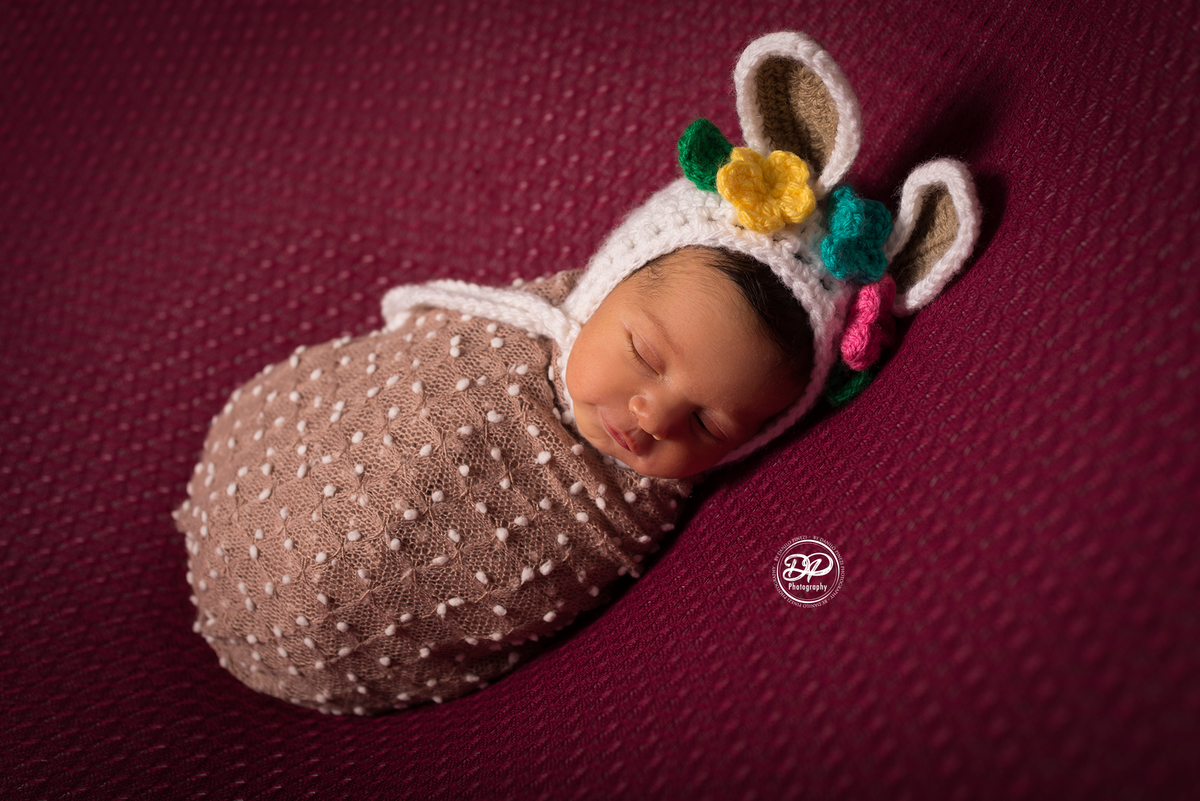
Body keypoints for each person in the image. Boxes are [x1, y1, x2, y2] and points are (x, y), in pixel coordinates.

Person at [175, 31, 979, 714]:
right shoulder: (522, 331)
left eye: (707, 423)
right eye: (645, 355)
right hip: (279, 463)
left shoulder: (630, 505)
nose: (654, 413)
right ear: (603, 285)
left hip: (342, 648)